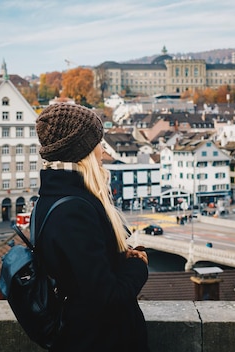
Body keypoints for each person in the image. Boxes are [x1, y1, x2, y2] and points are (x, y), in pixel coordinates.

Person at [34, 103, 149, 352]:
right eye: (98, 142)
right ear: (82, 150)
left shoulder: (51, 198)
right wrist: (139, 265)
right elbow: (107, 297)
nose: (101, 151)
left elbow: (80, 273)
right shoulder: (74, 210)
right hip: (101, 341)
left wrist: (116, 258)